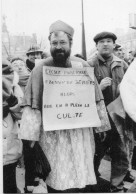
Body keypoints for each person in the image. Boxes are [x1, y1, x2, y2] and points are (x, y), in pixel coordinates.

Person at [19, 20, 110, 193]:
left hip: (80, 133)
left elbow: (96, 99)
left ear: (70, 43)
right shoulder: (40, 69)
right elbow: (32, 106)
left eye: (62, 43)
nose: (58, 47)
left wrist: (102, 126)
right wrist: (30, 136)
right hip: (53, 136)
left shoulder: (82, 66)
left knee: (82, 174)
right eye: (54, 43)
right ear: (50, 44)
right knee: (57, 176)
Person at [88, 31, 135, 192]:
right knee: (96, 152)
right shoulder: (89, 65)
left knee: (120, 153)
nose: (106, 44)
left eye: (109, 41)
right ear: (97, 46)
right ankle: (91, 181)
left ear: (114, 45)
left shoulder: (122, 64)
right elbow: (81, 94)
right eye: (102, 42)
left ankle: (117, 186)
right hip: (99, 117)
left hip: (119, 117)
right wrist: (98, 89)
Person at [3, 60, 23, 193]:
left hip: (9, 149)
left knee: (9, 185)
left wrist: (12, 101)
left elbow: (22, 114)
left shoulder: (14, 86)